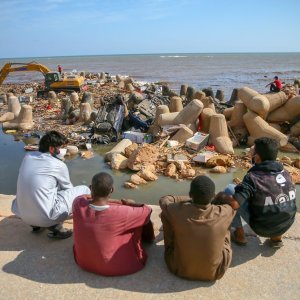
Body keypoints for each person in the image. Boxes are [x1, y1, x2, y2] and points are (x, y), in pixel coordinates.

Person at [215, 137, 297, 248]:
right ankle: (276, 239)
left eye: (253, 152)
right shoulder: (285, 173)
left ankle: (240, 236)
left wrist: (221, 196)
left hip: (261, 228)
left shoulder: (253, 177)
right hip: (287, 223)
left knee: (230, 189)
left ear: (257, 157)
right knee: (279, 198)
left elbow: (235, 203)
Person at [72, 172, 155, 276]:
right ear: (112, 190)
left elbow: (85, 197)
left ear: (90, 188)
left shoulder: (77, 203)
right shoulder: (122, 213)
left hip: (84, 262)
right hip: (118, 268)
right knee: (139, 221)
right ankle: (148, 241)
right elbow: (147, 210)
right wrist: (126, 203)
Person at [11, 131, 90, 239]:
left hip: (22, 214)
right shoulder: (58, 165)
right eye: (59, 148)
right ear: (52, 149)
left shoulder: (28, 157)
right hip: (46, 218)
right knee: (84, 190)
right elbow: (68, 189)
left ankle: (36, 225)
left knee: (47, 185)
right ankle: (55, 225)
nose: (61, 150)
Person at [159, 175, 236, 281]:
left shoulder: (176, 210)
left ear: (191, 195)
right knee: (225, 224)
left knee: (165, 215)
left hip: (178, 268)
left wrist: (191, 199)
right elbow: (234, 205)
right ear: (212, 195)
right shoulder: (225, 212)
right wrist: (216, 197)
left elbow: (164, 199)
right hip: (216, 272)